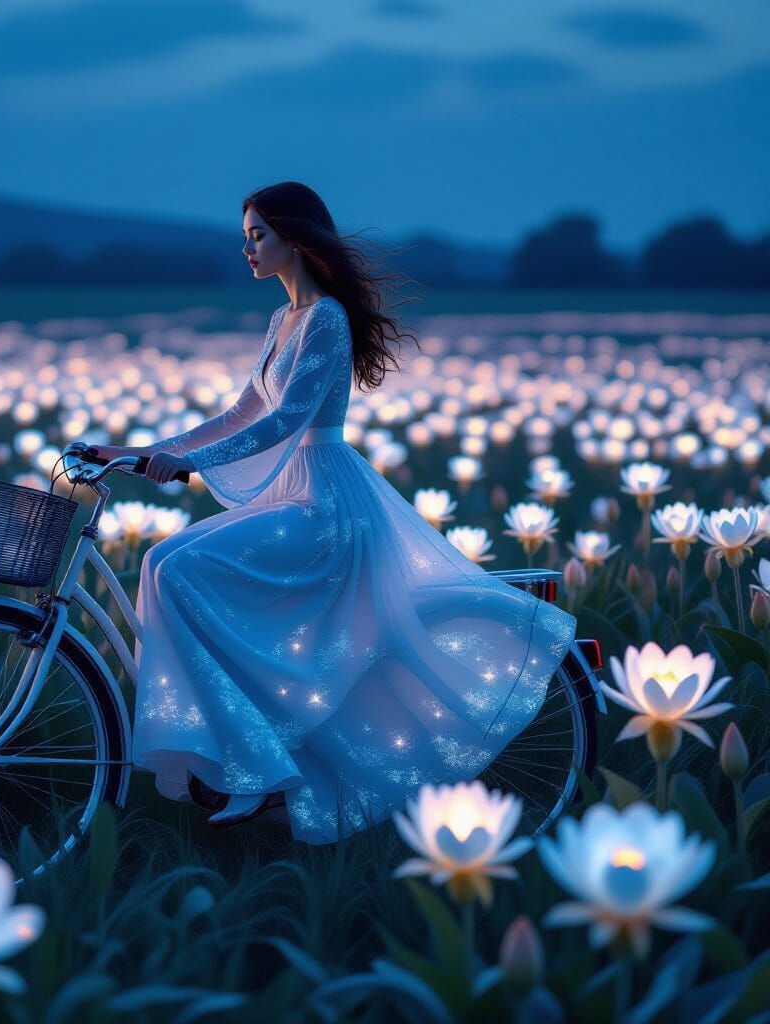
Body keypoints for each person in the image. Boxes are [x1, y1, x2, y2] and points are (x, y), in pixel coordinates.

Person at [88, 182, 577, 844]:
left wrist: (195, 465)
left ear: (297, 238)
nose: (249, 249)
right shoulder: (282, 321)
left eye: (259, 235)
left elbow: (288, 419)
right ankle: (234, 751)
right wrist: (142, 450)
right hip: (290, 493)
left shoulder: (325, 319)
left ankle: (257, 767)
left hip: (324, 505)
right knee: (158, 559)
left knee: (179, 573)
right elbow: (239, 415)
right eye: (245, 237)